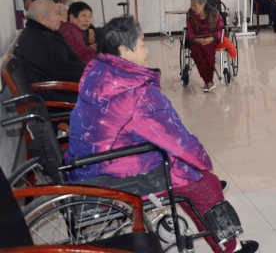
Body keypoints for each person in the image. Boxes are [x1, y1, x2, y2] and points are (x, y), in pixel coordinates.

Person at [65, 16, 259, 253]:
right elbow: (177, 140)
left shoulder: (98, 72)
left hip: (87, 165)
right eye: (142, 44)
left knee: (187, 172)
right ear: (124, 50)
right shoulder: (138, 91)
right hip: (116, 173)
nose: (147, 50)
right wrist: (201, 163)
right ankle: (230, 248)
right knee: (205, 183)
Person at [15, 0, 85, 103]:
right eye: (57, 14)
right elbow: (65, 71)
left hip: (58, 89)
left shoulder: (39, 32)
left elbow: (70, 63)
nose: (61, 19)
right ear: (42, 18)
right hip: (55, 96)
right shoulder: (42, 40)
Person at [186, 0, 224, 93]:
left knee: (209, 55)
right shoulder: (190, 16)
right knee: (196, 53)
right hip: (196, 40)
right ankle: (208, 81)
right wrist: (196, 39)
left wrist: (212, 38)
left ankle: (208, 82)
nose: (192, 7)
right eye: (191, 5)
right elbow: (189, 31)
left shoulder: (214, 14)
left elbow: (220, 30)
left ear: (202, 5)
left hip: (211, 39)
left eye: (195, 5)